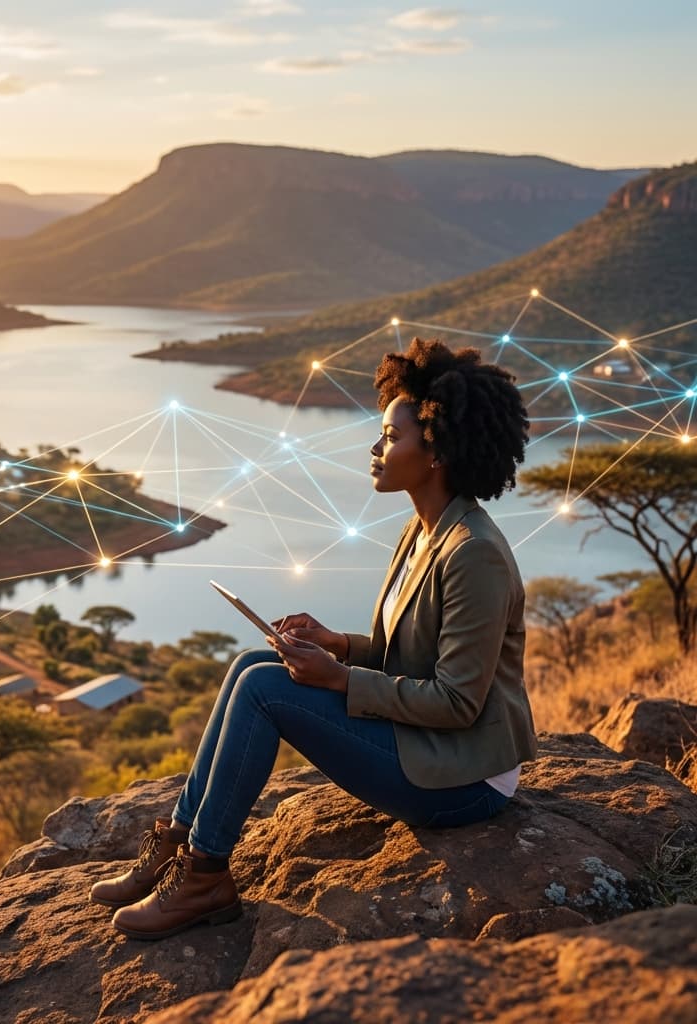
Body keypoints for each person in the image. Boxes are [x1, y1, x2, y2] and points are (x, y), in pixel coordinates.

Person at [90, 337, 538, 941]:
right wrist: (338, 646)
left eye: (391, 437)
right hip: (430, 743)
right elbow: (412, 655)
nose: (375, 447)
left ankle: (204, 877)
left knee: (265, 693)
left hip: (465, 778)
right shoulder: (423, 529)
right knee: (255, 661)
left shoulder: (474, 554)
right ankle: (179, 840)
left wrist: (340, 680)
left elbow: (458, 702)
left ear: (435, 451)